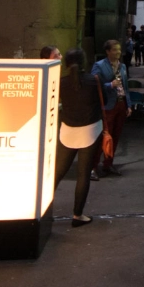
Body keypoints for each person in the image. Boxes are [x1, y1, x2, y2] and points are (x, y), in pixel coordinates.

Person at [59, 47, 103, 226]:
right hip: (90, 130)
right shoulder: (94, 81)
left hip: (67, 129)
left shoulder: (61, 82)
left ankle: (40, 210)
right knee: (83, 174)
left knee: (57, 172)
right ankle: (78, 215)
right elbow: (104, 101)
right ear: (85, 63)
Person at [92, 38, 129, 176]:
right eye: (115, 50)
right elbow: (94, 84)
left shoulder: (122, 66)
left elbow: (125, 87)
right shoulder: (99, 65)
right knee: (104, 137)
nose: (118, 52)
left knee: (116, 136)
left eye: (119, 49)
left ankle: (109, 164)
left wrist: (128, 104)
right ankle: (93, 167)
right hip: (107, 106)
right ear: (108, 51)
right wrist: (110, 85)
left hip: (120, 104)